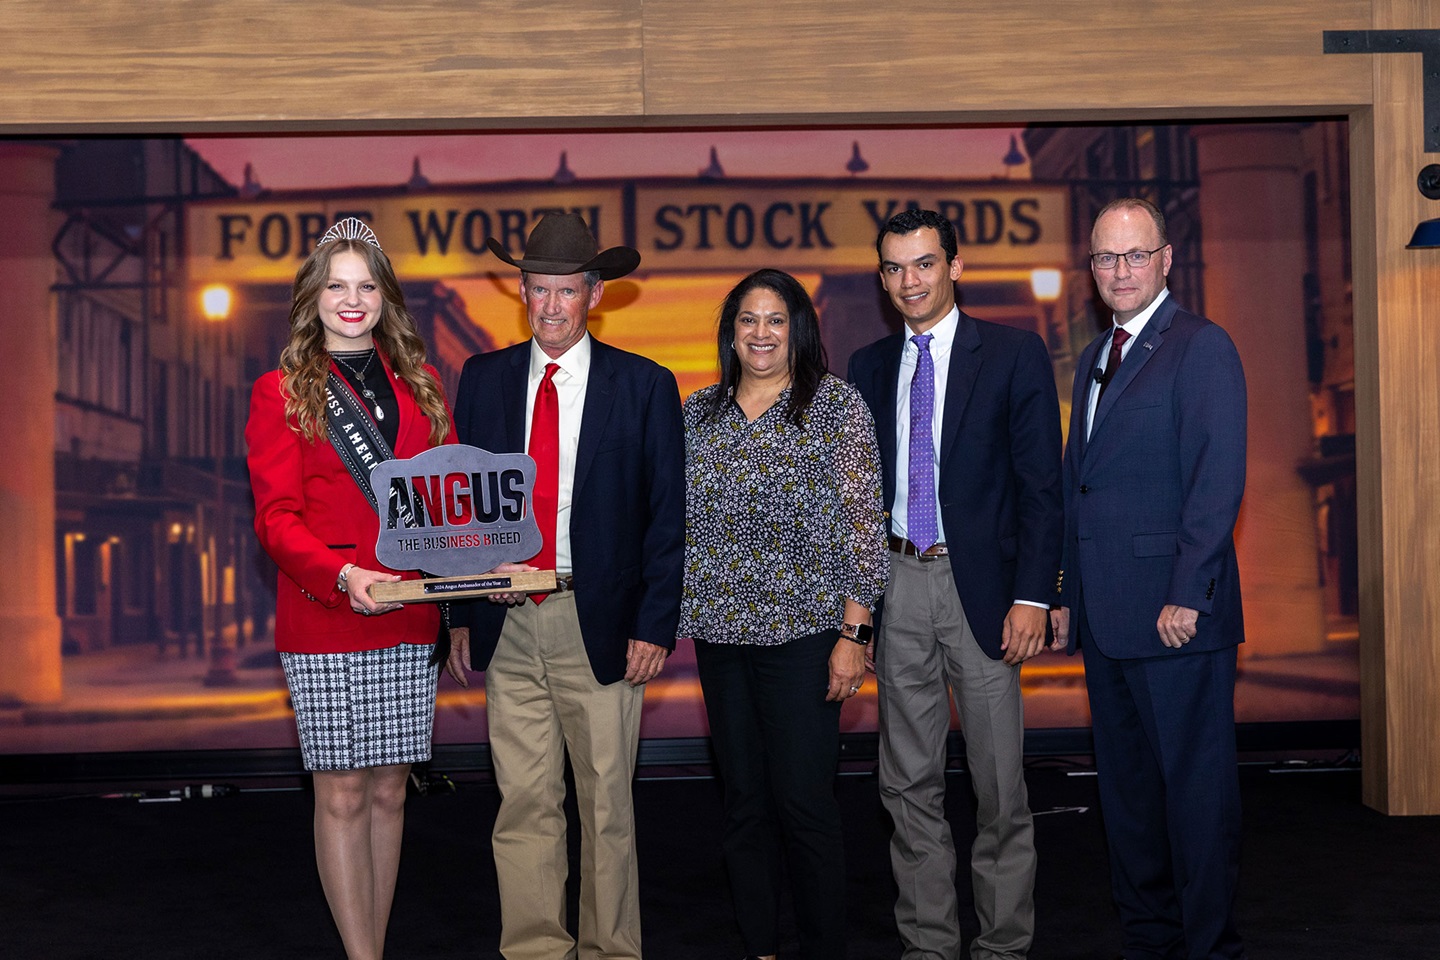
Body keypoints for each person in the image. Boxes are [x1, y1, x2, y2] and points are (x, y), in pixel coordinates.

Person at [445, 212, 684, 960]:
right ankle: (537, 951)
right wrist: (460, 609)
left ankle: (612, 951)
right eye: (538, 291)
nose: (551, 307)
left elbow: (667, 516)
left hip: (603, 622)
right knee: (523, 804)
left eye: (566, 292)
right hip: (507, 623)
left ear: (595, 294)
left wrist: (654, 624)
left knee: (607, 807)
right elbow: (459, 504)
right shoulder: (482, 379)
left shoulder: (645, 386)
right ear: (521, 291)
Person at [847, 209, 1064, 960]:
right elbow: (854, 496)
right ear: (883, 277)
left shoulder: (1012, 353)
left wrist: (1035, 595)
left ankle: (1002, 946)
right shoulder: (867, 366)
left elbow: (1043, 487)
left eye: (925, 264)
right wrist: (860, 613)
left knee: (1000, 786)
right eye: (896, 268)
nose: (911, 281)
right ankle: (929, 945)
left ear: (955, 266)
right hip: (897, 584)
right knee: (907, 786)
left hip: (986, 595)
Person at [245, 217, 455, 960]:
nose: (352, 299)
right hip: (326, 612)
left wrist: (470, 573)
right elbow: (276, 518)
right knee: (339, 793)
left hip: (406, 616)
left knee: (392, 790)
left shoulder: (421, 389)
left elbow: (445, 505)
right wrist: (340, 573)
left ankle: (380, 945)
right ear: (313, 296)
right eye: (336, 284)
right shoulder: (281, 391)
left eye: (365, 285)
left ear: (384, 297)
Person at [1051, 197, 1248, 960]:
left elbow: (1217, 480)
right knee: (1129, 800)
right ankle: (1150, 942)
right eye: (1105, 258)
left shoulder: (1201, 346)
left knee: (1196, 800)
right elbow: (1080, 488)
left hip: (1176, 619)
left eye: (1135, 255)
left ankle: (1210, 948)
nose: (1120, 270)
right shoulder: (1098, 357)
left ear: (1167, 259)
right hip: (1107, 621)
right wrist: (1067, 595)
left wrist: (1186, 591)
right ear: (1091, 269)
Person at [681, 269, 888, 960]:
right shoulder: (697, 413)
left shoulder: (836, 408)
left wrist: (854, 634)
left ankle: (823, 946)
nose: (761, 333)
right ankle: (761, 947)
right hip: (720, 635)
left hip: (806, 637)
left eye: (776, 320)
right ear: (730, 331)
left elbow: (865, 528)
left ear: (799, 330)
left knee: (804, 805)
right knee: (743, 806)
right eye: (748, 320)